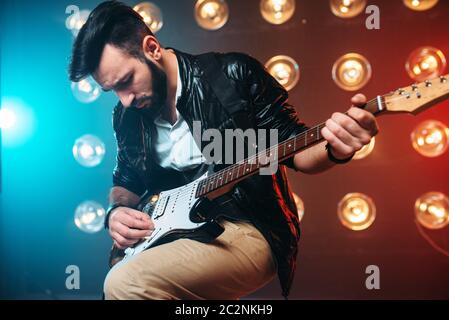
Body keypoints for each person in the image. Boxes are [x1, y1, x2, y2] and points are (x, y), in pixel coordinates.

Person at [68, 1, 379, 300]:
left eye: (127, 82)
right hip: (170, 233)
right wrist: (115, 213)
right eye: (113, 91)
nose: (125, 100)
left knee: (125, 284)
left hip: (248, 227)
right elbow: (126, 180)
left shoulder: (231, 75)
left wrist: (336, 147)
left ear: (152, 48)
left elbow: (294, 148)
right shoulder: (126, 117)